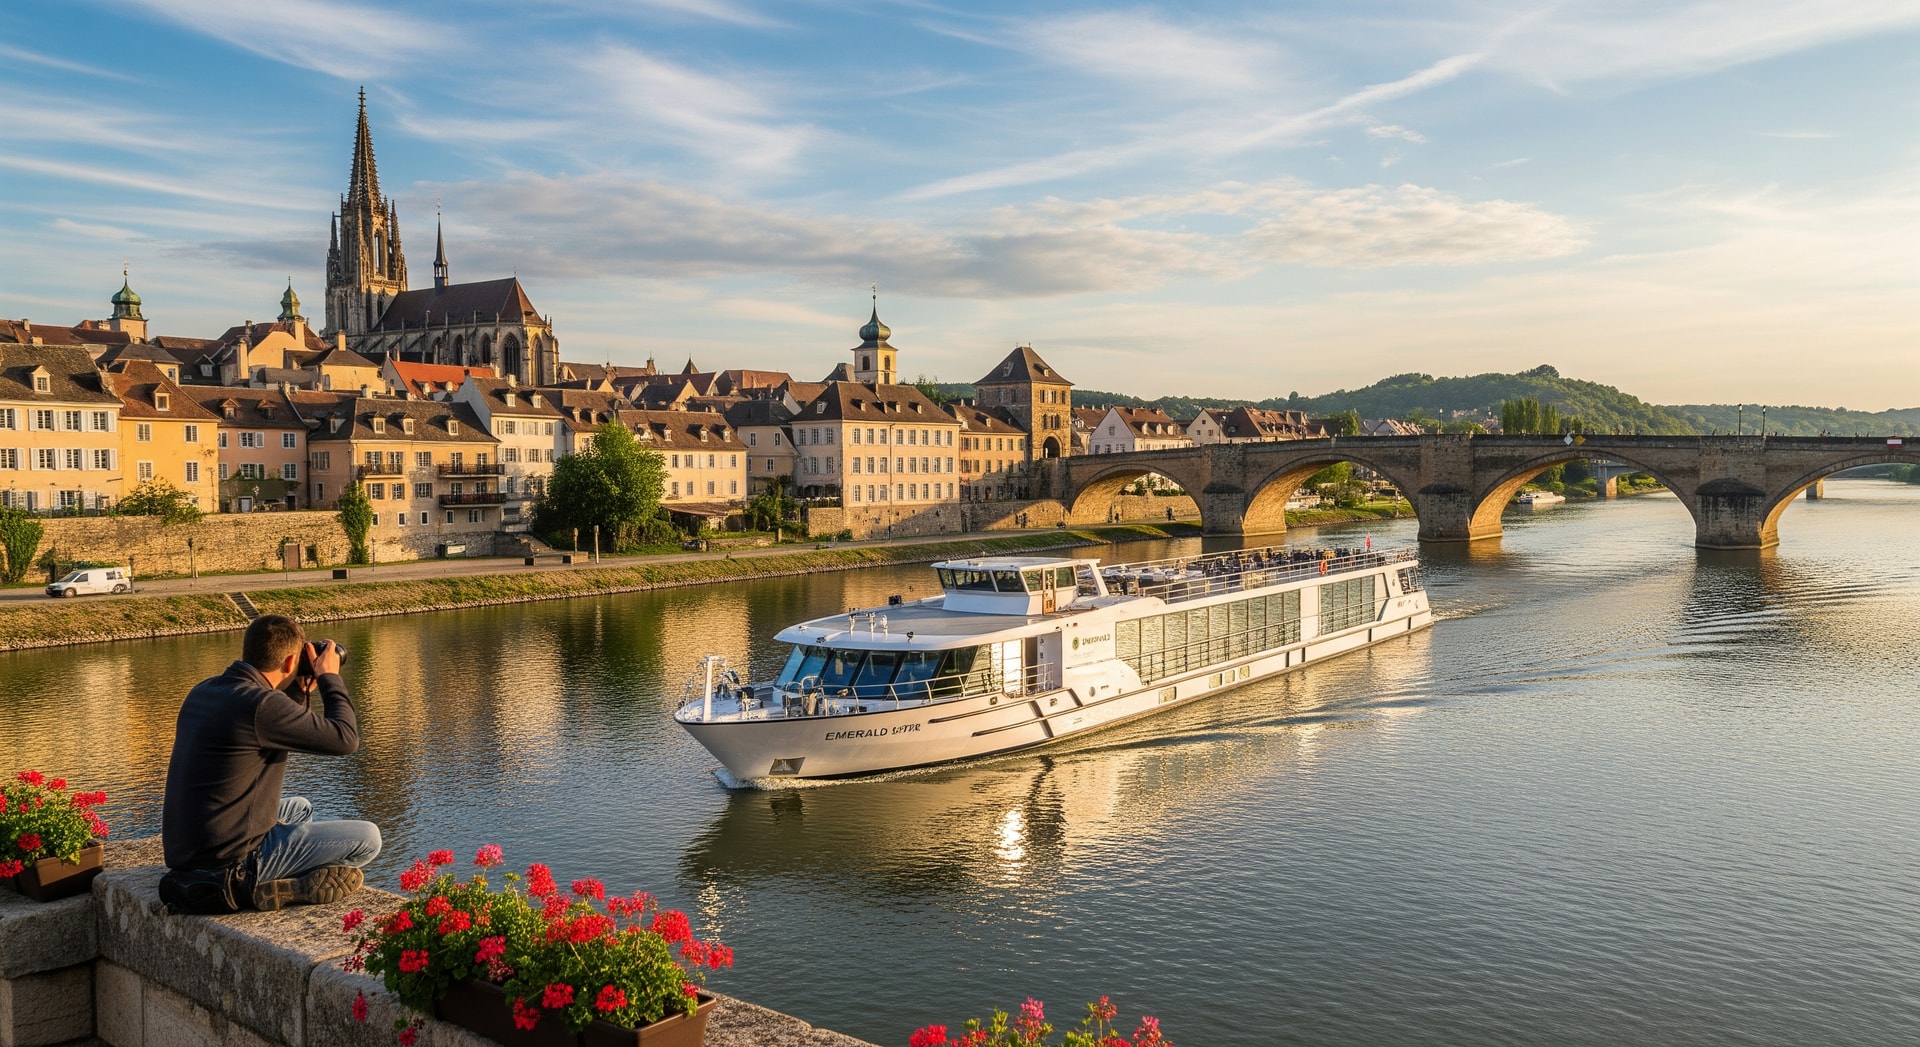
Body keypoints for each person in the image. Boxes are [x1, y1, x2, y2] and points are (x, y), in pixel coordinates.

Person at [160, 615, 380, 913]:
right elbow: (345, 739)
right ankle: (261, 886)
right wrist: (330, 678)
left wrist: (296, 689)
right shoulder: (262, 706)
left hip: (189, 848)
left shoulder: (205, 690)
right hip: (230, 863)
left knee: (300, 807)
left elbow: (256, 722)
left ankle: (278, 873)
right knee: (368, 838)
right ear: (291, 662)